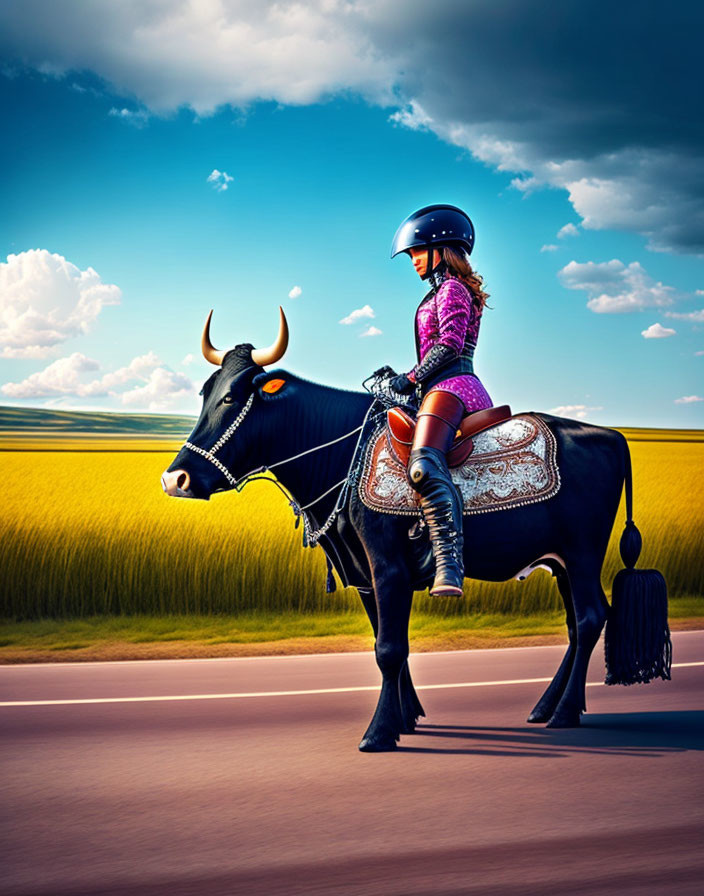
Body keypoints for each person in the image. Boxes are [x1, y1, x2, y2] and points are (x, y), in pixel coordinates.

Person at [388, 204, 493, 597]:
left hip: (454, 388)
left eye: (417, 251)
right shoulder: (440, 292)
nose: (413, 260)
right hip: (437, 388)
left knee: (422, 466)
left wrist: (410, 377)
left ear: (440, 249)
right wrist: (404, 377)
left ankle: (448, 565)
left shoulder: (451, 289)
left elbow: (448, 346)